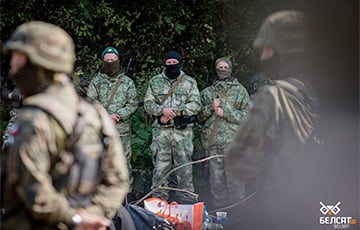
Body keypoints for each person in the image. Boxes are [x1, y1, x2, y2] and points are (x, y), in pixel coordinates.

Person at [1, 21, 130, 230]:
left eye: (18, 57)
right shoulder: (95, 114)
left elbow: (28, 188)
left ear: (38, 61)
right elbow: (118, 181)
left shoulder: (33, 119)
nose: (12, 65)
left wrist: (73, 219)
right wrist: (91, 217)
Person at [224, 11, 322, 229]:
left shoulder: (273, 96)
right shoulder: (333, 90)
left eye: (267, 50)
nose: (262, 57)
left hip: (281, 204)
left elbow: (240, 165)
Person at [143, 50, 201, 204]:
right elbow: (148, 104)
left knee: (185, 169)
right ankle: (158, 205)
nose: (171, 65)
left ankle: (187, 203)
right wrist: (162, 111)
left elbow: (196, 105)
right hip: (161, 133)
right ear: (164, 63)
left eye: (174, 62)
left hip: (183, 133)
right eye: (168, 63)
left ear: (179, 62)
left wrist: (176, 111)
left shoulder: (189, 82)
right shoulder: (154, 81)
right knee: (160, 170)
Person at [197, 57, 250, 209]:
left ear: (231, 69)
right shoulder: (207, 93)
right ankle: (220, 214)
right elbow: (198, 117)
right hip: (212, 145)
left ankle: (239, 215)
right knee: (216, 183)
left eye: (225, 67)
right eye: (219, 67)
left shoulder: (241, 91)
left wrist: (224, 112)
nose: (222, 70)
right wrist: (210, 109)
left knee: (236, 182)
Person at [87, 46, 138, 191]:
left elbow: (132, 104)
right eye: (107, 60)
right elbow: (90, 102)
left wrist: (118, 115)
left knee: (123, 164)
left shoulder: (127, 82)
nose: (110, 62)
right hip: (100, 130)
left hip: (122, 131)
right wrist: (105, 116)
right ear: (103, 61)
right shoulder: (96, 82)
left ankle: (125, 196)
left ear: (118, 60)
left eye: (113, 59)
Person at [1, 76, 23, 151]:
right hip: (17, 113)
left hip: (33, 113)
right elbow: (4, 91)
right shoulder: (18, 70)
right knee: (8, 141)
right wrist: (11, 95)